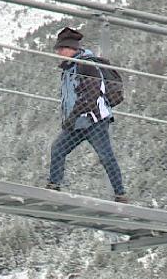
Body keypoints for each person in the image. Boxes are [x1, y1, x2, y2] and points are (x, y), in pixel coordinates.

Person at [46, 27, 126, 202]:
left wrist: (73, 116)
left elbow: (91, 93)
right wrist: (71, 118)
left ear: (70, 48)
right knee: (58, 149)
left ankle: (120, 193)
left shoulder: (85, 65)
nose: (58, 52)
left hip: (94, 120)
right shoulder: (68, 69)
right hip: (77, 122)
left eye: (61, 49)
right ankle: (54, 185)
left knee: (106, 156)